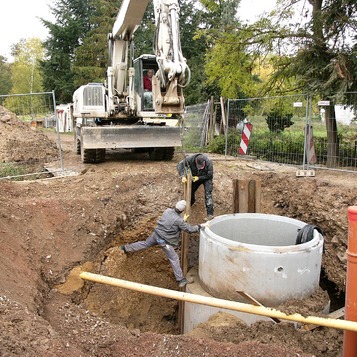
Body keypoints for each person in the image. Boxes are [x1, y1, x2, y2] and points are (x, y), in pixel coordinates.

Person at [120, 200, 206, 288]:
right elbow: (190, 229)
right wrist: (200, 226)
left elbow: (171, 223)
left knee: (145, 243)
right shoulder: (178, 221)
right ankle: (180, 280)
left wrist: (182, 221)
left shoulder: (167, 211)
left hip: (155, 235)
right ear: (182, 210)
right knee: (174, 258)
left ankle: (125, 248)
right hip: (164, 241)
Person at [177, 153, 214, 220]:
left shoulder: (208, 162)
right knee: (191, 192)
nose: (200, 167)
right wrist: (182, 176)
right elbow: (180, 165)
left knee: (208, 194)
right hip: (195, 177)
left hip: (206, 178)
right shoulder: (190, 159)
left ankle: (210, 214)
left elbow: (210, 175)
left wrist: (199, 178)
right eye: (199, 166)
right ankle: (190, 203)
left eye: (202, 166)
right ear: (196, 161)